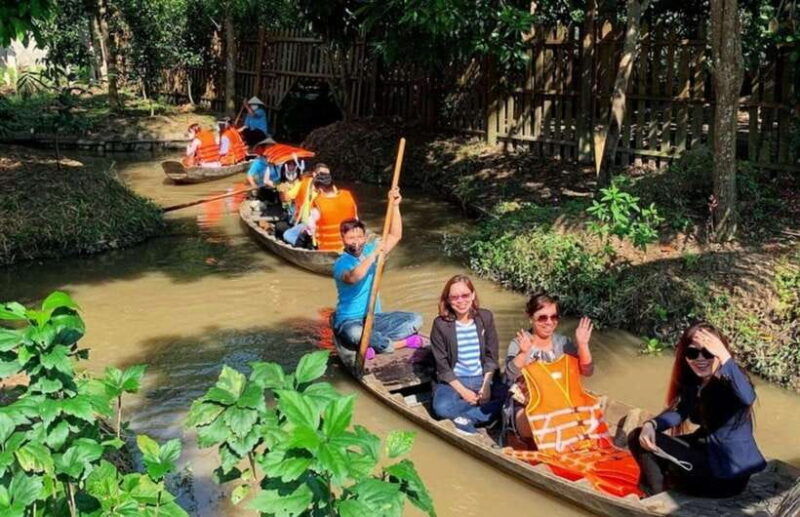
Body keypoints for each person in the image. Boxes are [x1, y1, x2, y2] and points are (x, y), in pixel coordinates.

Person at [628, 322, 766, 498]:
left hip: (724, 479)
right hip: (707, 457)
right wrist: (651, 424)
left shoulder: (732, 381)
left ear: (719, 354)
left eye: (708, 352)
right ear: (685, 356)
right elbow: (681, 411)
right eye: (692, 353)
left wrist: (725, 356)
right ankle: (659, 488)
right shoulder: (696, 383)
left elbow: (748, 397)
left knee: (647, 449)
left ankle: (653, 499)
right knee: (639, 436)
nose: (700, 359)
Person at [332, 189, 423, 361]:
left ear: (365, 237)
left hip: (375, 317)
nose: (356, 241)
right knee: (355, 333)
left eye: (359, 236)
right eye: (351, 238)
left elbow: (395, 235)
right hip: (349, 321)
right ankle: (397, 344)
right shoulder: (341, 263)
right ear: (343, 239)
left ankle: (372, 344)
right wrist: (373, 254)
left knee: (415, 319)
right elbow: (354, 277)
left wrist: (395, 206)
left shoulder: (369, 249)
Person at [504, 292, 594, 444]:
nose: (549, 322)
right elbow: (509, 375)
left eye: (554, 317)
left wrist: (583, 345)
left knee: (591, 415)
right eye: (542, 317)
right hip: (527, 407)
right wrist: (523, 353)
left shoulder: (563, 343)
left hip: (559, 406)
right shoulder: (520, 341)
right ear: (530, 317)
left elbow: (587, 371)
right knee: (547, 422)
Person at [430, 274, 506, 435]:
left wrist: (486, 387)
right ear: (448, 300)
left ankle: (467, 417)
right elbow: (443, 367)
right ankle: (483, 413)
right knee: (441, 408)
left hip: (482, 378)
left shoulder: (485, 317)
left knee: (511, 398)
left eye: (465, 295)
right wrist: (464, 392)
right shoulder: (441, 325)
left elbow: (491, 356)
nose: (461, 301)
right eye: (455, 297)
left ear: (472, 295)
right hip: (454, 381)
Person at [306, 173, 358, 252]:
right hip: (352, 245)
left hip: (329, 249)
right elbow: (356, 219)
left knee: (304, 236)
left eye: (317, 190)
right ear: (333, 185)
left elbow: (310, 229)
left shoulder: (318, 204)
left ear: (320, 189)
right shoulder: (348, 195)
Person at [283, 163, 325, 247]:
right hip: (305, 222)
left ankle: (306, 245)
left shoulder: (328, 189)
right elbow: (287, 197)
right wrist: (282, 188)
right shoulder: (304, 183)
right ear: (314, 174)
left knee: (288, 234)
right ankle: (305, 244)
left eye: (326, 175)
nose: (323, 177)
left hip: (320, 225)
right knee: (287, 234)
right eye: (321, 174)